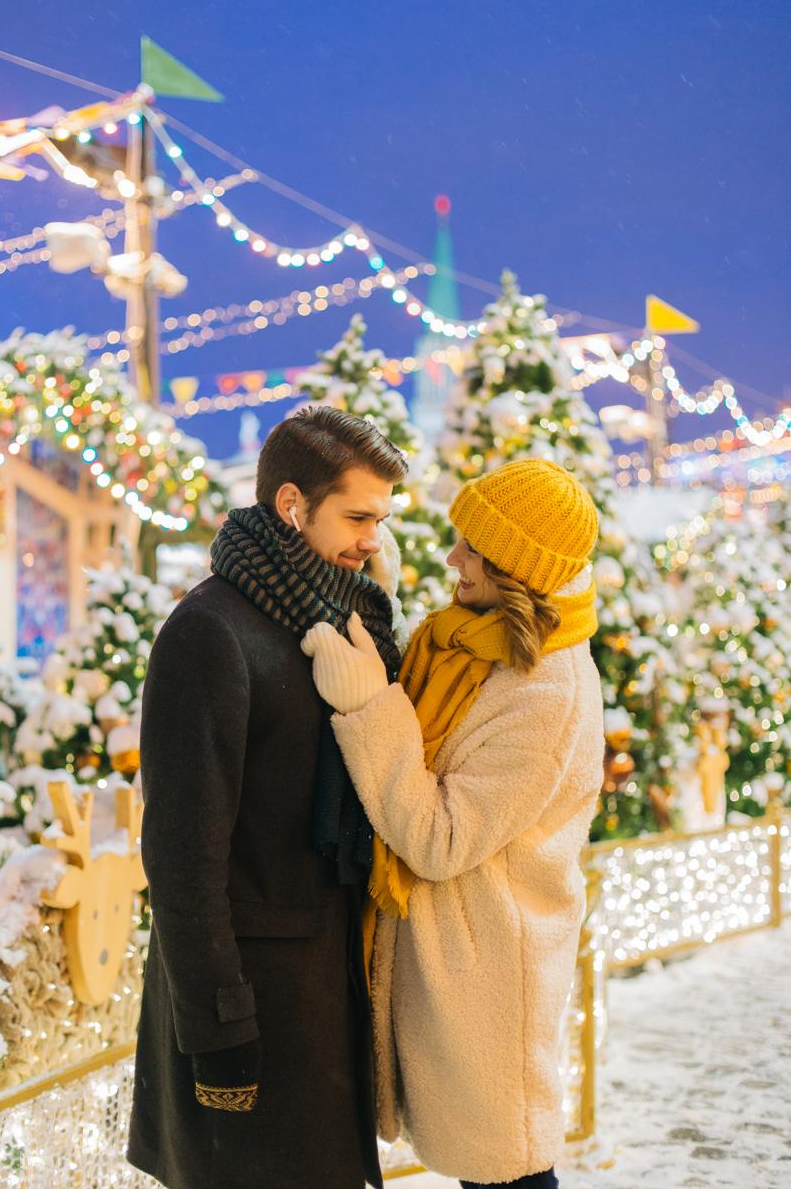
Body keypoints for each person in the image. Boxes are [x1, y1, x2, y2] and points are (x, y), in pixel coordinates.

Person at [302, 458, 605, 1189]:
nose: (452, 559)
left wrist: (369, 708)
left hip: (491, 970)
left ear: (517, 570)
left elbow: (440, 839)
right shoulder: (472, 641)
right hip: (457, 956)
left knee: (508, 1172)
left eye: (471, 548)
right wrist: (389, 606)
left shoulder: (546, 691)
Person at [127, 405, 409, 1189]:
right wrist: (220, 1027)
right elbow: (182, 854)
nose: (370, 539)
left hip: (327, 992)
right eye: (356, 516)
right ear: (291, 504)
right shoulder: (210, 630)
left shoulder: (341, 622)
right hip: (252, 1004)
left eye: (378, 518)